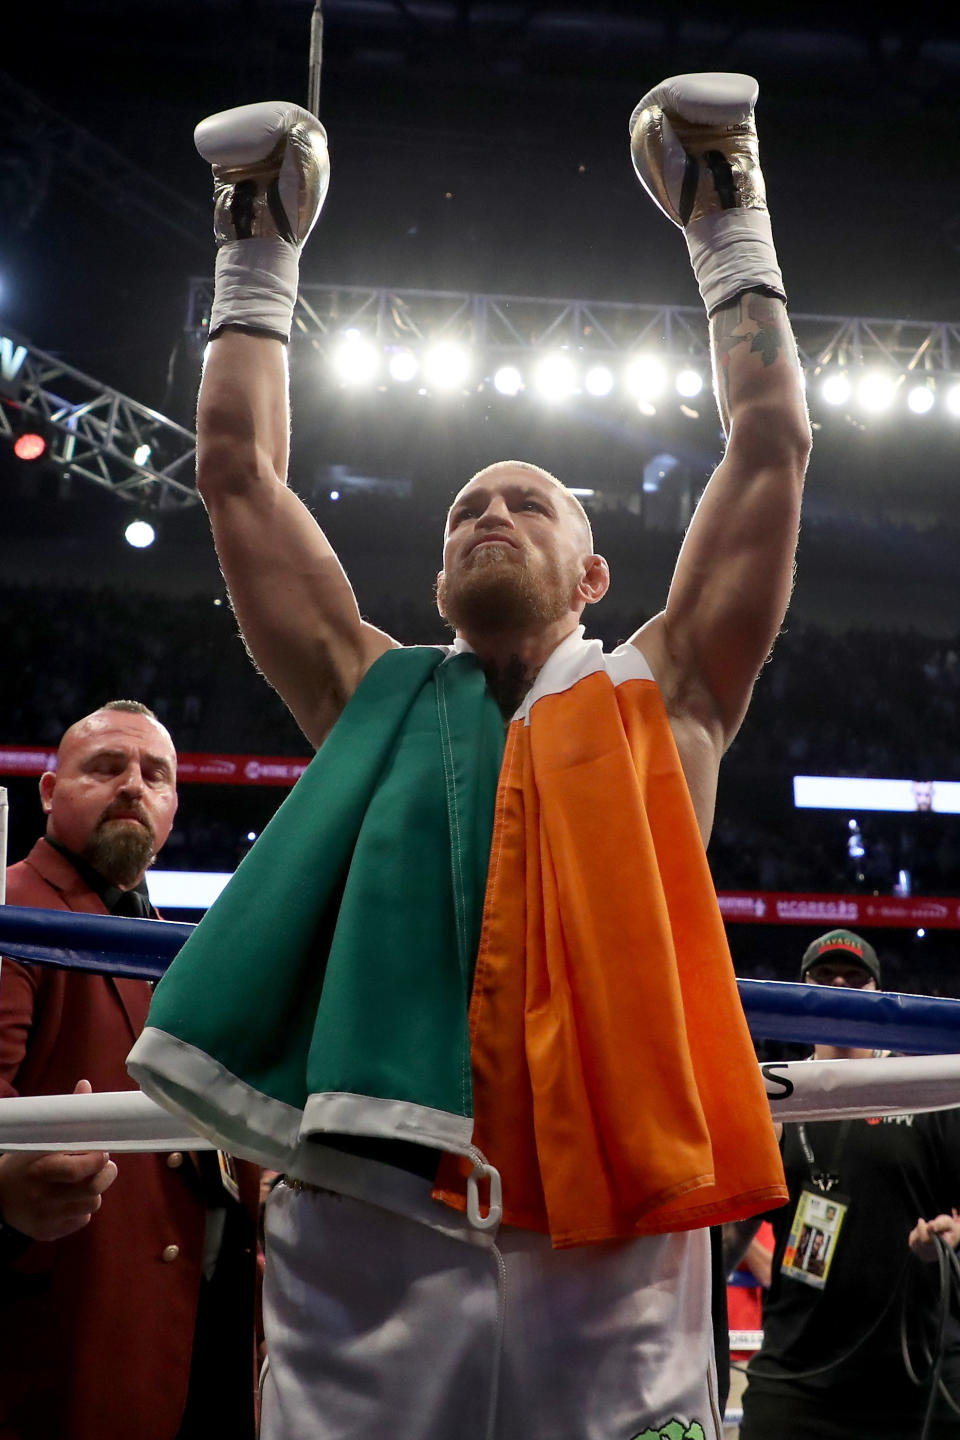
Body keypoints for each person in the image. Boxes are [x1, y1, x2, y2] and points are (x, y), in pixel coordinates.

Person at [129, 72, 810, 1440]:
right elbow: (237, 475)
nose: (489, 513)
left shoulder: (666, 691)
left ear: (594, 568)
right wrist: (258, 245)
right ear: (436, 577)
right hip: (372, 1202)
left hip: (612, 1214)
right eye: (462, 510)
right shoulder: (370, 690)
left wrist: (725, 220)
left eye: (526, 501)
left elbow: (774, 446)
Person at [0, 701, 261, 1440]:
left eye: (156, 775)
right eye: (106, 767)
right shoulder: (13, 906)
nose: (133, 786)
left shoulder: (157, 933)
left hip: (196, 1317)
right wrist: (3, 1191)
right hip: (70, 1329)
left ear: (175, 803)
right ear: (49, 792)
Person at [740, 928, 960, 1440]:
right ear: (801, 990)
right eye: (825, 976)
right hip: (794, 1380)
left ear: (878, 995)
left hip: (913, 1377)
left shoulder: (924, 1091)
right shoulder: (772, 1098)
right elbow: (731, 1230)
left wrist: (952, 1239)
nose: (838, 986)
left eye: (854, 978)